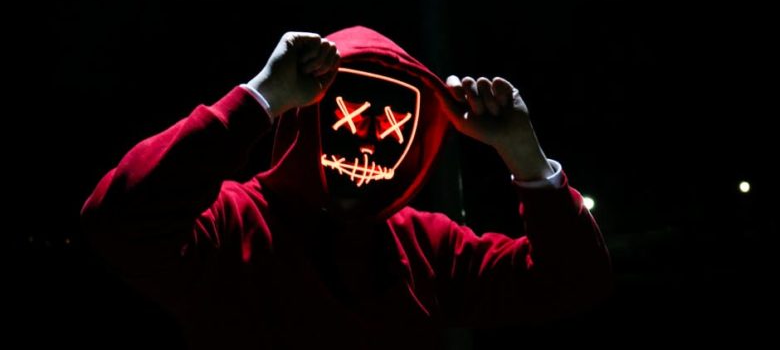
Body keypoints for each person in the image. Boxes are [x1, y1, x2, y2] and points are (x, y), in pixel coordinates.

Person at [82, 26, 610, 349]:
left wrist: (524, 155)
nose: (369, 143)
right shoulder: (234, 224)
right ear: (308, 112)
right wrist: (259, 98)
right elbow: (118, 221)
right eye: (350, 116)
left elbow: (573, 283)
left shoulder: (427, 247)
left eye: (395, 125)